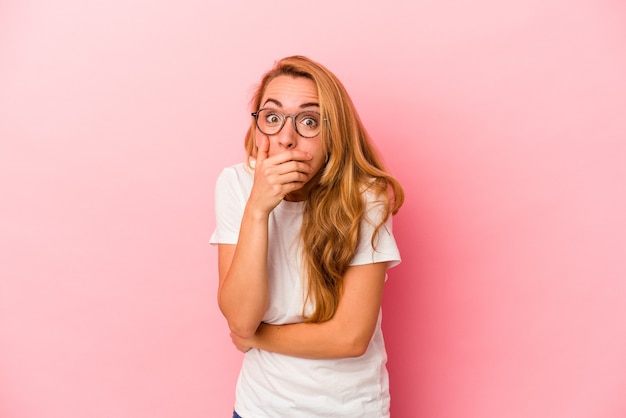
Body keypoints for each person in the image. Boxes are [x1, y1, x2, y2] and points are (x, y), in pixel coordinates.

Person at [210, 55, 404, 418]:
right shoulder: (236, 185)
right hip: (258, 409)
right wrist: (257, 209)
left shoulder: (364, 195)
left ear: (334, 134)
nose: (286, 138)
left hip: (349, 410)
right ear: (257, 129)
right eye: (272, 118)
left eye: (309, 121)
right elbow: (240, 319)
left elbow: (350, 337)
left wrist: (257, 339)